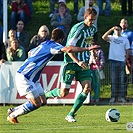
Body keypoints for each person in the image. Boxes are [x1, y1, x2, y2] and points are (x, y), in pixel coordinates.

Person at [7, 28, 99, 124]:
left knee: (43, 101)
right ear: (61, 39)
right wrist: (87, 49)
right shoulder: (53, 46)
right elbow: (69, 49)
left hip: (33, 78)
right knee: (36, 103)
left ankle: (14, 110)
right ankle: (12, 116)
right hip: (25, 76)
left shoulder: (45, 43)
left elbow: (30, 52)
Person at [46, 7, 99, 122]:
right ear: (85, 17)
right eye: (90, 19)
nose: (92, 22)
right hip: (71, 62)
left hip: (83, 63)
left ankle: (71, 114)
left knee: (87, 88)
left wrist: (92, 53)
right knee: (63, 93)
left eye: (94, 20)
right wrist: (77, 61)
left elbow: (89, 43)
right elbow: (69, 48)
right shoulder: (77, 28)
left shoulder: (93, 29)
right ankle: (47, 94)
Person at [102, 25, 130, 103]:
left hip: (121, 61)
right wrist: (111, 29)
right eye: (116, 29)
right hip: (113, 61)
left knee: (122, 80)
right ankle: (113, 97)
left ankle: (122, 97)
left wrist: (125, 60)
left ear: (121, 30)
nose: (117, 31)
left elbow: (128, 50)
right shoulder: (112, 38)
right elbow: (104, 37)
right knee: (114, 80)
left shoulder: (125, 40)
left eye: (118, 29)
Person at [120, 18, 133, 96]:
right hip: (120, 57)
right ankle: (123, 95)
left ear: (127, 25)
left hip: (129, 56)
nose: (123, 24)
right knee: (123, 77)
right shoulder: (116, 34)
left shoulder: (130, 34)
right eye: (122, 23)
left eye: (125, 23)